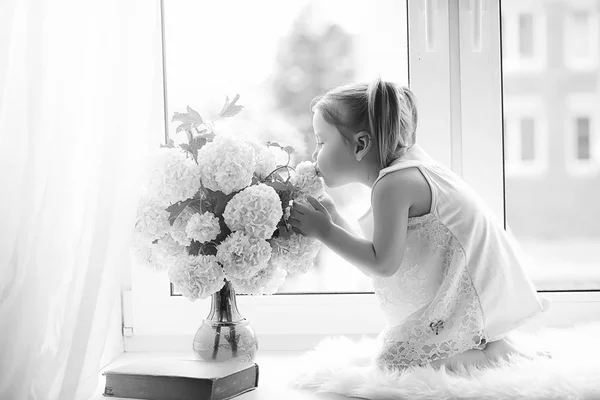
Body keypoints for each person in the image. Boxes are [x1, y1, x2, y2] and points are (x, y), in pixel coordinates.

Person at [288, 77, 551, 372]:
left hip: (470, 298)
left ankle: (494, 355)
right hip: (470, 293)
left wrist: (325, 231)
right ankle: (487, 345)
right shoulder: (403, 172)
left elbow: (382, 264)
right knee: (395, 356)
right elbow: (374, 258)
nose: (314, 154)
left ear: (361, 144)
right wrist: (334, 217)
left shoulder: (393, 185)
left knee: (395, 364)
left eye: (321, 141)